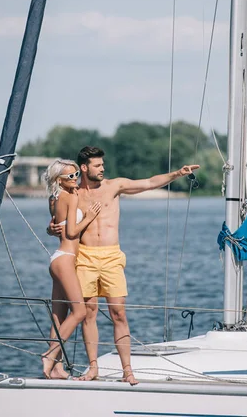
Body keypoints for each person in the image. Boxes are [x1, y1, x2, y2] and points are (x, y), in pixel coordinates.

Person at [48, 146, 199, 385]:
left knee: (119, 313)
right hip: (84, 256)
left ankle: (127, 370)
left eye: (102, 165)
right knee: (89, 314)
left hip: (111, 257)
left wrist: (177, 173)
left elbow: (149, 182)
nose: (102, 169)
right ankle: (93, 367)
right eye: (97, 165)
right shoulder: (74, 192)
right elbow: (60, 221)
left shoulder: (114, 186)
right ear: (84, 168)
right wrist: (51, 228)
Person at [42, 158, 101, 379]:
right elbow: (72, 232)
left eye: (77, 174)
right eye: (71, 176)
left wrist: (50, 229)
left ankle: (56, 367)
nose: (76, 178)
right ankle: (49, 355)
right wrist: (89, 217)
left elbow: (55, 226)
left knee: (59, 314)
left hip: (58, 259)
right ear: (59, 180)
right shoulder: (71, 196)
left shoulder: (54, 198)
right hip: (66, 259)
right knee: (79, 311)